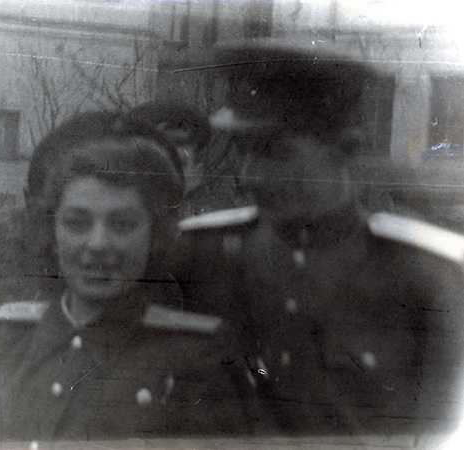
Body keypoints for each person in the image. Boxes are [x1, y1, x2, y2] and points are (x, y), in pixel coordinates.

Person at [189, 40, 464, 436]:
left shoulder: (426, 277)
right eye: (242, 151)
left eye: (277, 153)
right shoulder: (202, 255)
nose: (250, 176)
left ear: (346, 150)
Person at [0, 111, 269, 442]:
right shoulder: (10, 339)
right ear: (51, 231)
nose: (97, 244)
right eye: (77, 223)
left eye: (122, 225)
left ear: (155, 235)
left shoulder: (195, 358)